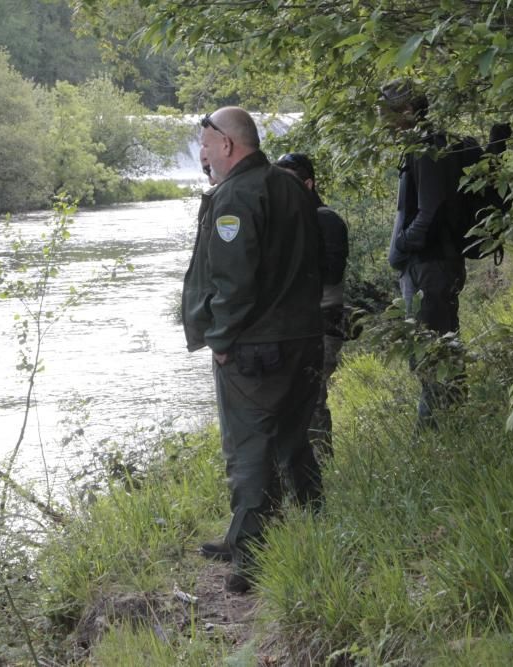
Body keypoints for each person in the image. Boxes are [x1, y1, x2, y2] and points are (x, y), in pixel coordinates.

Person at [182, 107, 324, 593]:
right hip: (304, 337)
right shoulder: (291, 186)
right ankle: (310, 523)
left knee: (249, 448)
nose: (201, 153)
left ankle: (253, 553)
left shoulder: (237, 195)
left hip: (256, 347)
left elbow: (234, 281)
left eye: (204, 143)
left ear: (227, 144)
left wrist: (220, 339)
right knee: (292, 438)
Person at [381, 80, 467, 429]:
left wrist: (403, 244)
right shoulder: (429, 145)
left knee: (431, 353)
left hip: (431, 267)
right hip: (438, 263)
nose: (382, 123)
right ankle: (454, 422)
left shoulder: (426, 149)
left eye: (386, 114)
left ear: (407, 111)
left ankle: (433, 432)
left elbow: (429, 209)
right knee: (440, 345)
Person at [274, 153, 348, 459]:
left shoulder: (326, 219)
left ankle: (321, 465)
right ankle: (302, 470)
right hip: (295, 324)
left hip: (324, 321)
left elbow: (331, 273)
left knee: (312, 397)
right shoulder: (288, 221)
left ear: (308, 183)